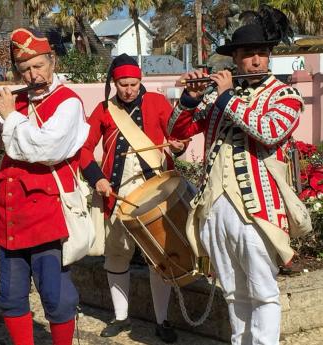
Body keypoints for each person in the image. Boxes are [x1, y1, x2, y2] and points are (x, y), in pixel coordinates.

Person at [168, 7, 302, 345]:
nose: (255, 61)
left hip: (257, 208)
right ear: (237, 59)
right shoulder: (218, 98)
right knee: (232, 291)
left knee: (263, 291)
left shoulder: (285, 95)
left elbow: (268, 131)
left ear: (268, 57)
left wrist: (225, 96)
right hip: (215, 207)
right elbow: (178, 131)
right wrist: (191, 96)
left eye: (261, 54)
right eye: (247, 55)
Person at [0, 28, 89, 345]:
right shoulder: (17, 103)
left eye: (38, 66)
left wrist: (8, 115)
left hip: (48, 214)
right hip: (12, 213)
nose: (32, 75)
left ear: (52, 61)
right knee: (10, 295)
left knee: (56, 295)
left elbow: (45, 150)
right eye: (24, 70)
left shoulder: (68, 103)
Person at [79, 54, 183, 343]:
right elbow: (84, 150)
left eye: (134, 84)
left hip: (156, 193)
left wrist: (178, 145)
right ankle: (120, 317)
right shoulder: (103, 110)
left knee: (158, 258)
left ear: (141, 81)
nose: (129, 90)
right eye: (123, 84)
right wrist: (97, 177)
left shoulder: (158, 103)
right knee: (117, 253)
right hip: (118, 194)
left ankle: (162, 321)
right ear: (115, 83)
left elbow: (178, 137)